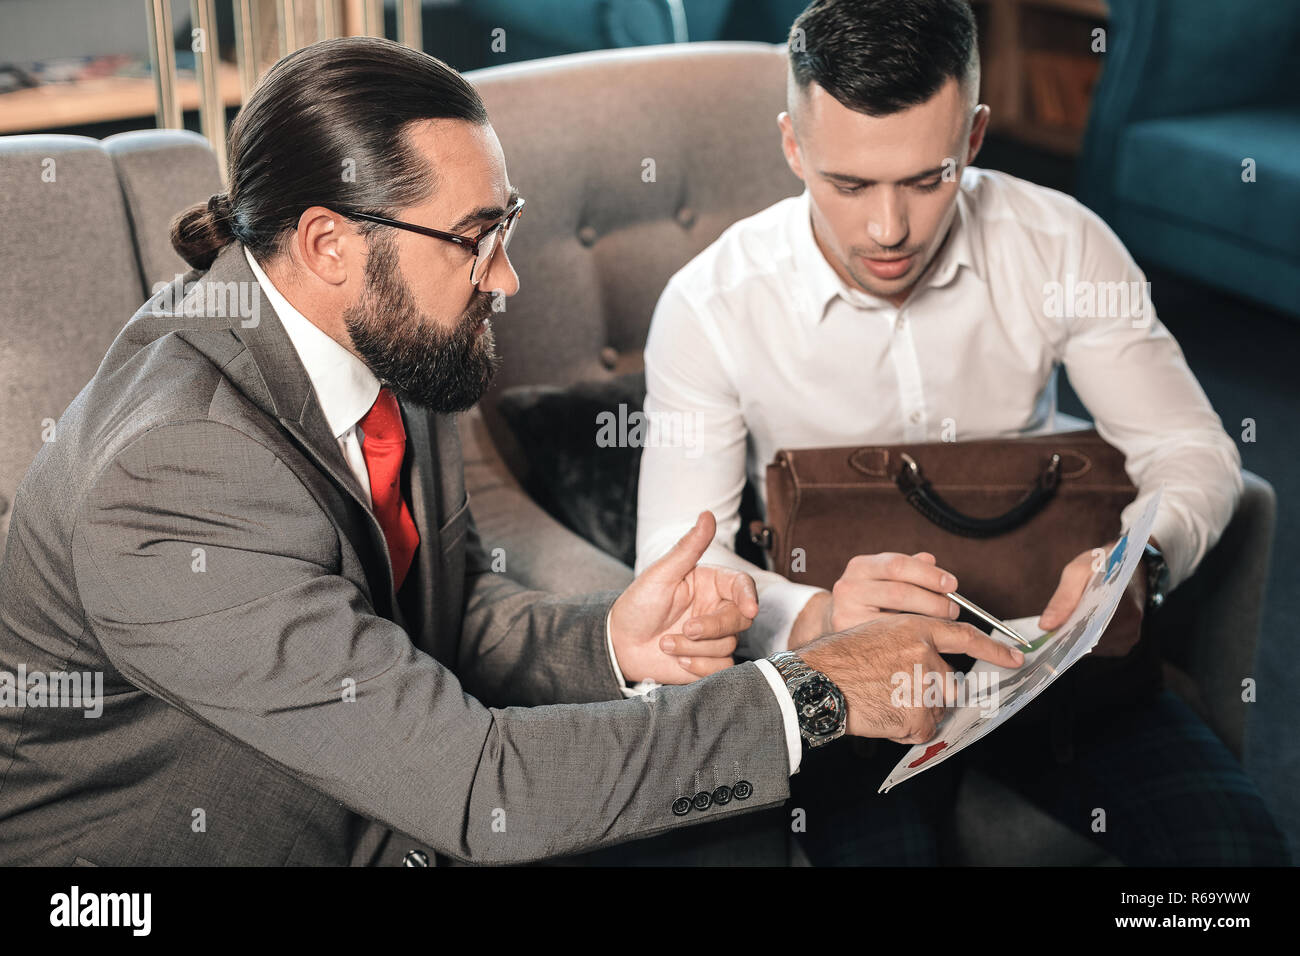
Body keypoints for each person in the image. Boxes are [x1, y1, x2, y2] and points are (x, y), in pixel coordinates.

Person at [0, 36, 1025, 866]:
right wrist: (814, 690)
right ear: (328, 244)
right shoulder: (173, 470)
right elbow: (484, 788)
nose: (506, 280)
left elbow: (426, 607)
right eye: (475, 235)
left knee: (740, 824)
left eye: (510, 224)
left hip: (388, 793)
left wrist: (609, 640)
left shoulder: (389, 332)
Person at [635, 0, 1289, 865]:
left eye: (925, 178)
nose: (888, 229)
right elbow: (678, 566)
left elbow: (1192, 451)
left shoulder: (1062, 246)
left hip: (1043, 659)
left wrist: (1142, 559)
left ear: (975, 138)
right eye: (850, 184)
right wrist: (818, 615)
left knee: (1233, 868)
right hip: (847, 682)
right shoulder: (708, 305)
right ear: (794, 148)